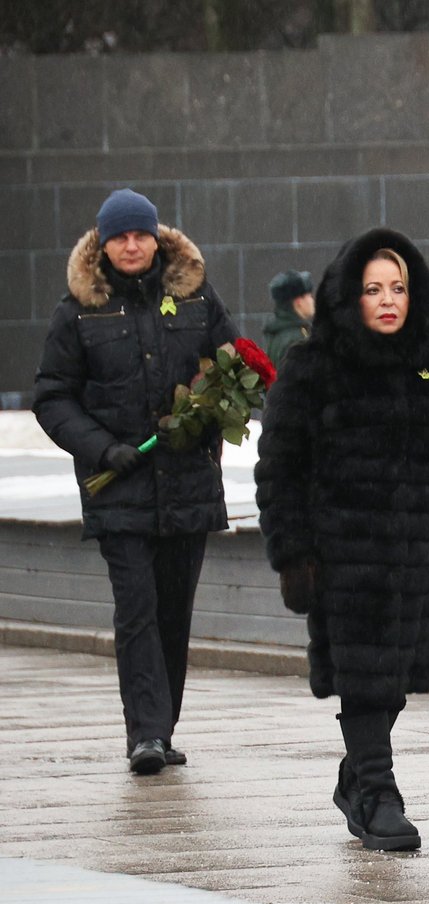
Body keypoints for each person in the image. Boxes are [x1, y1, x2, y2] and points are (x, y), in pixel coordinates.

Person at [254, 228, 429, 852]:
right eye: (373, 289)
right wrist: (294, 553)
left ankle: (356, 775)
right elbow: (279, 467)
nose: (388, 300)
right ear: (346, 295)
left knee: (398, 677)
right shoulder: (313, 370)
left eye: (399, 288)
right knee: (363, 676)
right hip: (345, 559)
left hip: (418, 557)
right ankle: (380, 794)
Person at [33, 188, 238, 775]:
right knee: (138, 609)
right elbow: (52, 397)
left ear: (156, 238)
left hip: (187, 487)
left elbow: (232, 363)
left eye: (140, 235)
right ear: (103, 244)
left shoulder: (196, 298)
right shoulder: (77, 312)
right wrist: (103, 449)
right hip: (119, 490)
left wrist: (206, 412)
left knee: (174, 611)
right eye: (119, 237)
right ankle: (145, 733)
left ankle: (162, 727)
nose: (131, 245)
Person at [262, 269, 315, 364]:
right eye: (310, 296)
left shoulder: (278, 333)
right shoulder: (296, 338)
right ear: (299, 302)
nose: (312, 301)